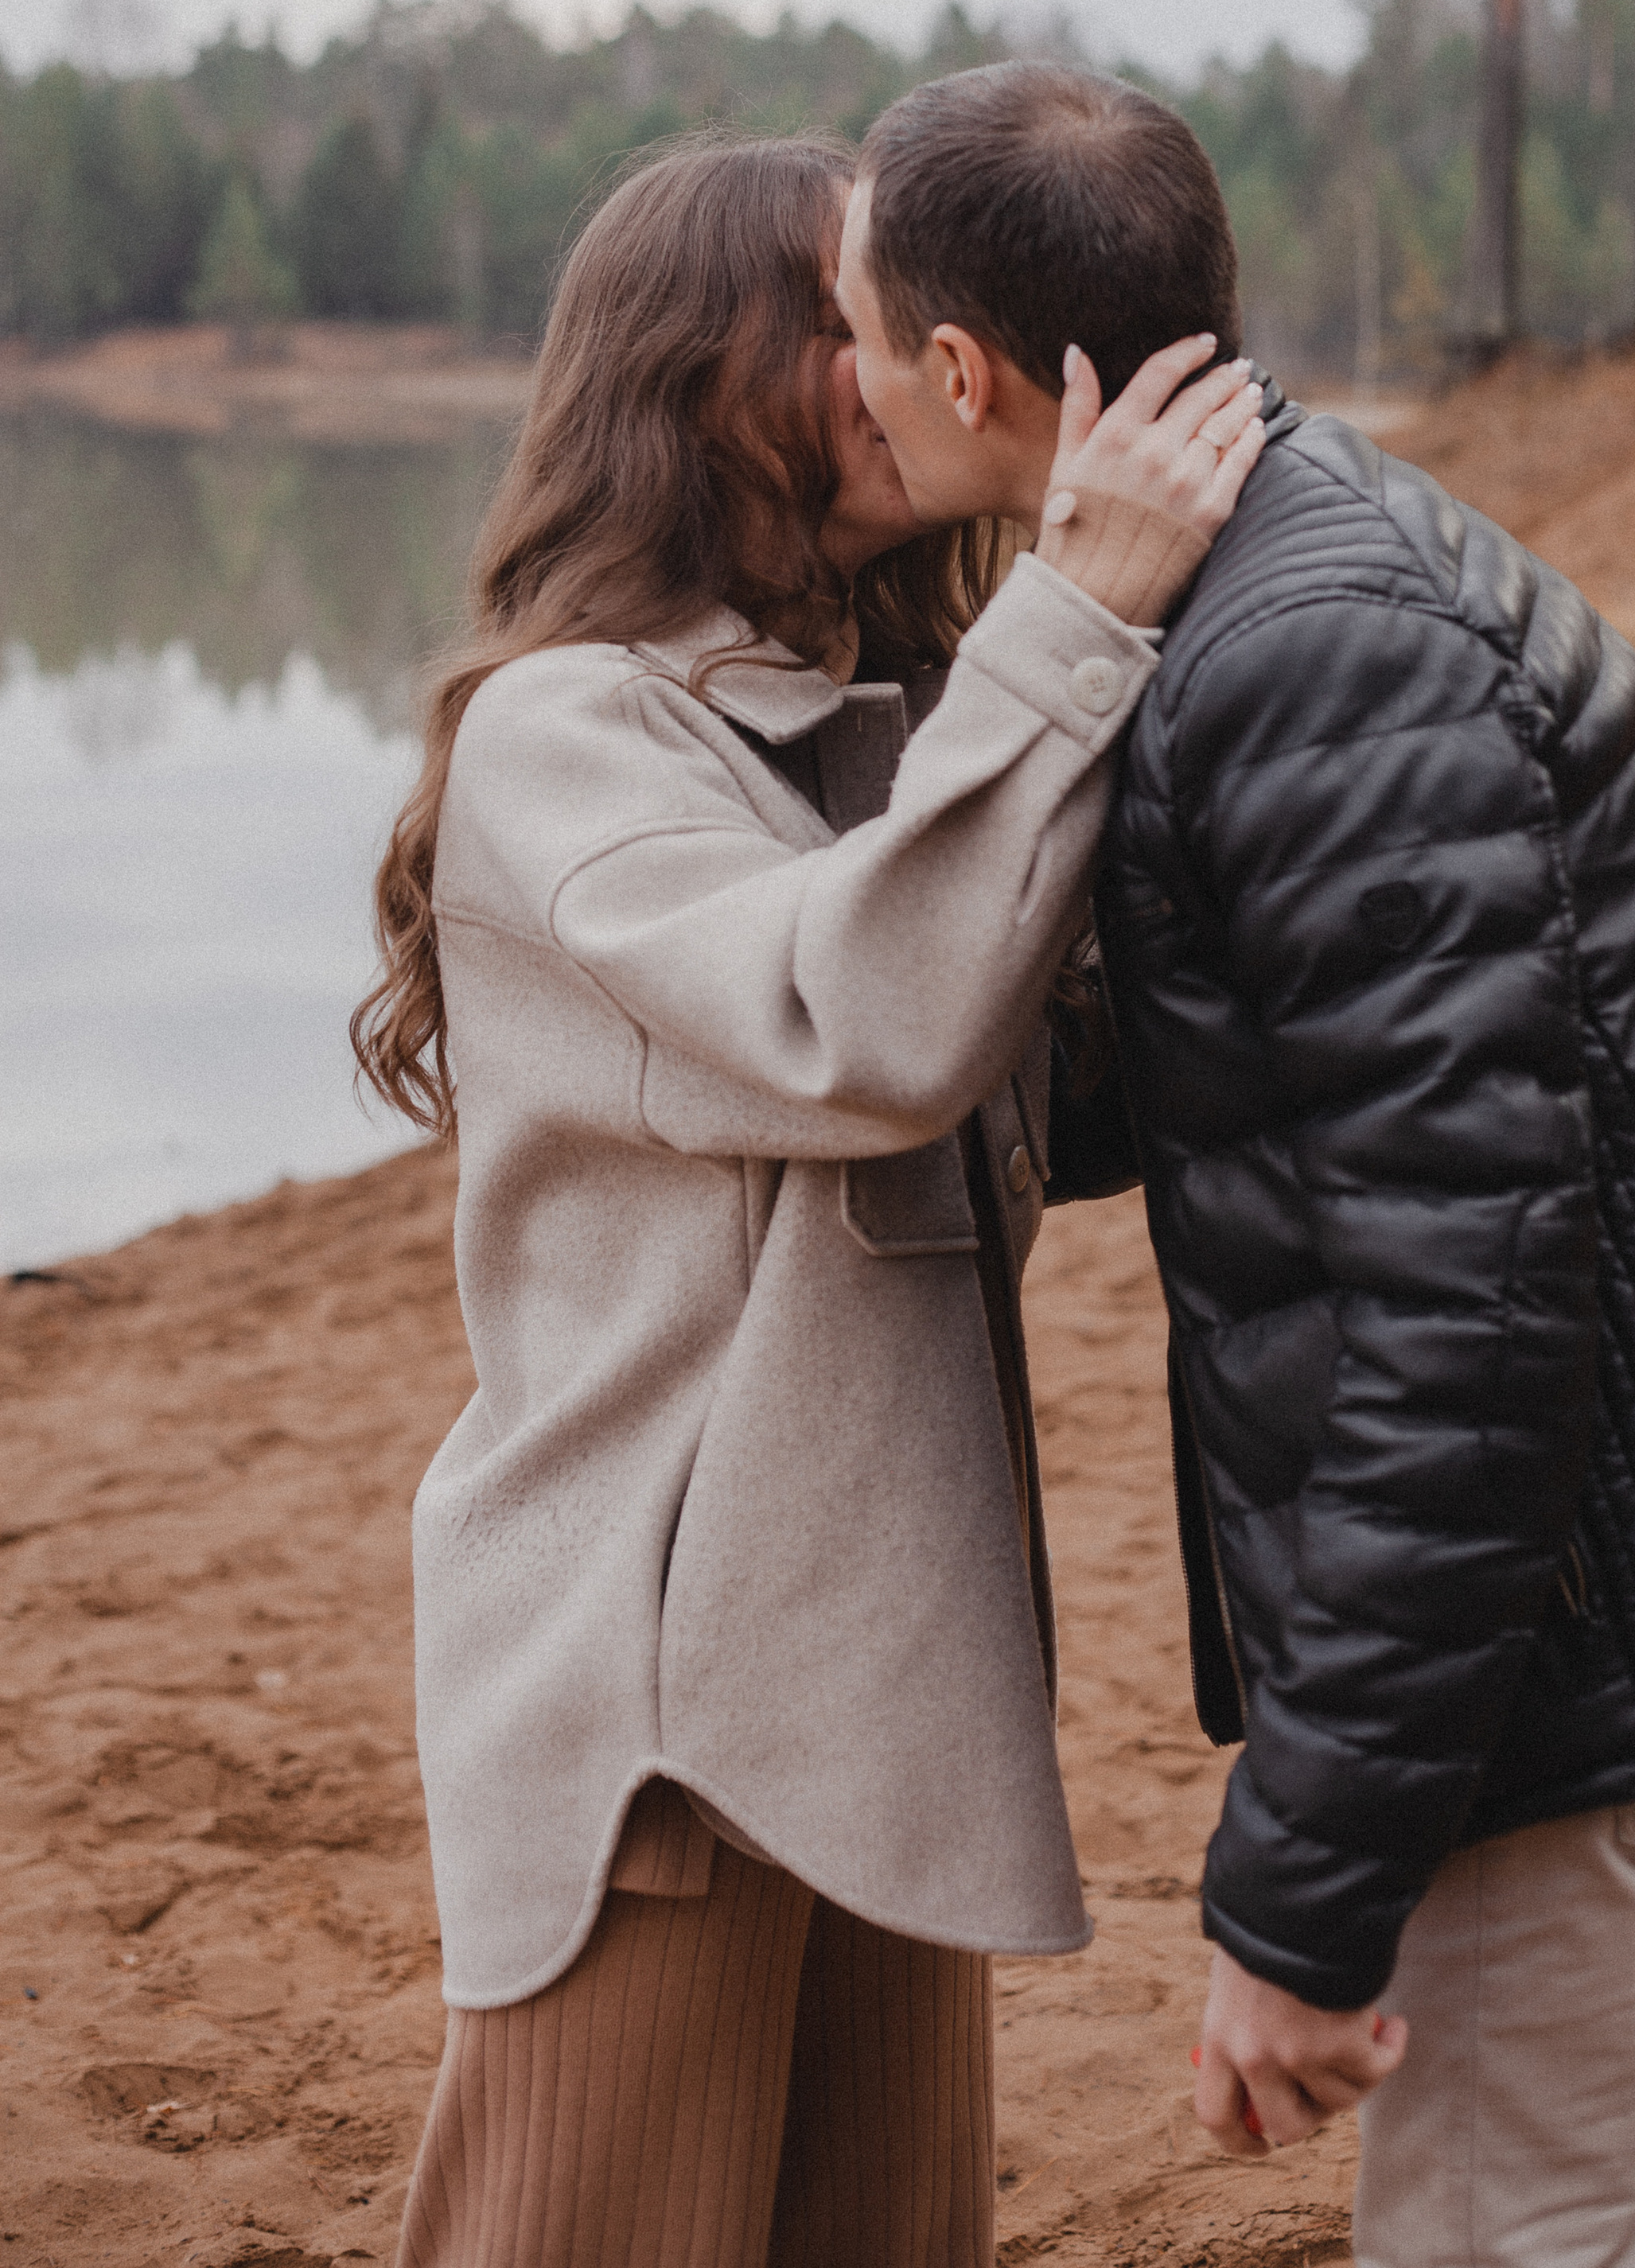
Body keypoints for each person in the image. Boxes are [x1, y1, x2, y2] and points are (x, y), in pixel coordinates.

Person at [834, 60, 1635, 2268]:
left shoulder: (1310, 663)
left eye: (863, 338)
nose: (856, 389)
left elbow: (1463, 1327)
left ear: (963, 371)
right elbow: (1288, 1081)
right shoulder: (1298, 561)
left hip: (1587, 1671)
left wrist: (1308, 1893)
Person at [351, 130, 1264, 2268]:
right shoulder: (572, 739)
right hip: (662, 1705)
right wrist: (1074, 611)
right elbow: (860, 1026)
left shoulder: (895, 719)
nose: (886, 366)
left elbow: (1049, 1076)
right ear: (697, 372)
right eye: (837, 316)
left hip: (875, 1674)